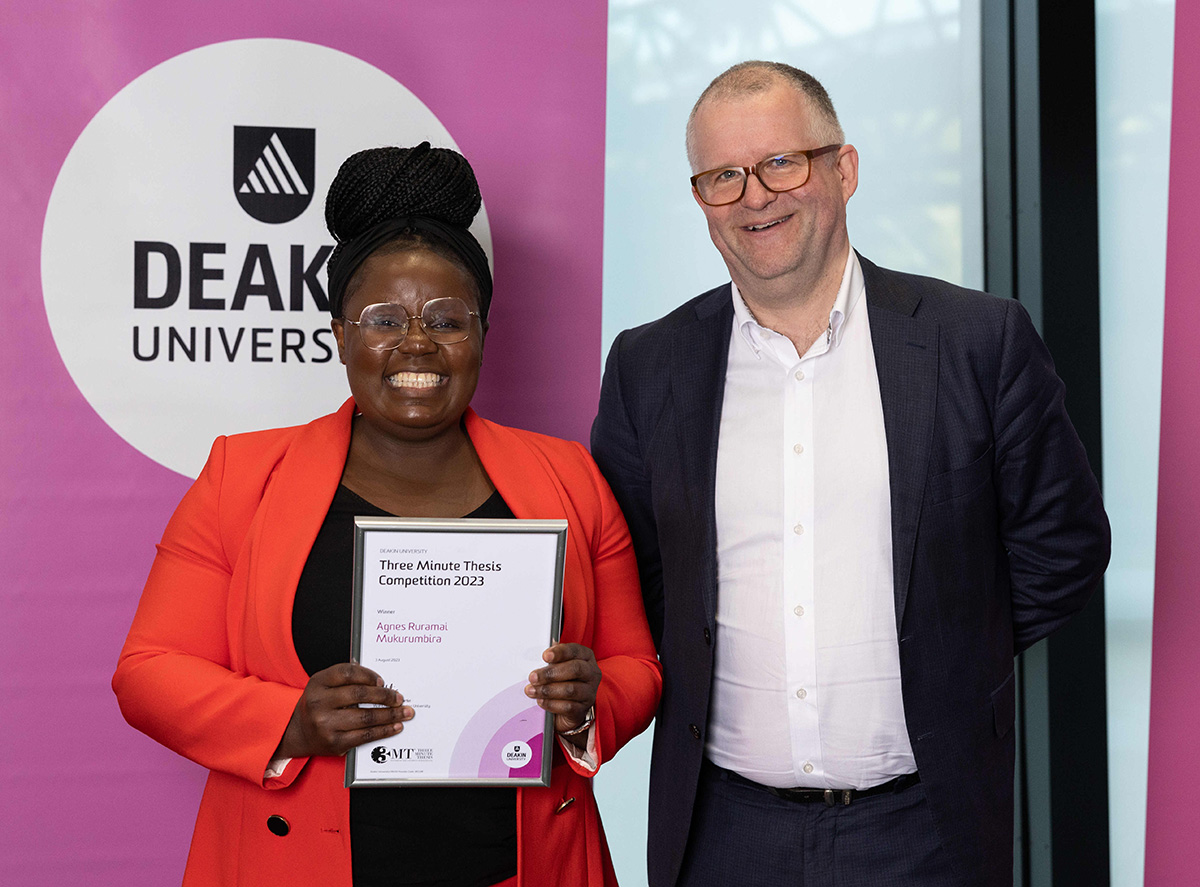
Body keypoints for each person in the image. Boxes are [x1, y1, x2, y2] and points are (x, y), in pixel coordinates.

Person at [591, 61, 1111, 887]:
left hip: (923, 827)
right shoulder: (649, 366)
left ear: (844, 169)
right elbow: (629, 570)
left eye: (782, 163)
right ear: (700, 201)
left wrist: (951, 637)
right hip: (723, 833)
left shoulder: (976, 341)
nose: (755, 196)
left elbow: (1065, 547)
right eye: (723, 176)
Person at [114, 142, 662, 887]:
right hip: (300, 864)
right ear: (340, 334)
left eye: (446, 318)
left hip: (525, 867)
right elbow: (147, 672)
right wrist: (290, 720)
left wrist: (589, 702)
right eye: (382, 318)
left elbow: (637, 666)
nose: (415, 342)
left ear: (481, 335)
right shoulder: (242, 477)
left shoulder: (569, 478)